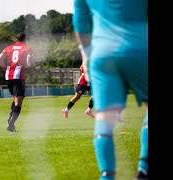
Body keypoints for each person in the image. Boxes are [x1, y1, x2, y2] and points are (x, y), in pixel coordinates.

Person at [73, 0, 148, 180]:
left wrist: (87, 57)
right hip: (140, 49)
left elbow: (80, 23)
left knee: (104, 117)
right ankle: (144, 168)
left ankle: (106, 176)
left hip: (102, 54)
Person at [0, 32, 35, 132]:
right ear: (25, 39)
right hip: (18, 76)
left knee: (15, 99)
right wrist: (28, 66)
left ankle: (10, 119)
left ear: (16, 39)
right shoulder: (27, 48)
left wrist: (6, 67)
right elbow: (29, 62)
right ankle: (11, 124)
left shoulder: (8, 48)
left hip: (8, 75)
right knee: (19, 102)